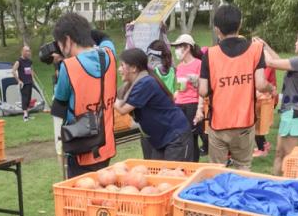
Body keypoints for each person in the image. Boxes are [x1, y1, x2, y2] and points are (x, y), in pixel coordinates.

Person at [199, 4, 272, 170]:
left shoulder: (210, 55)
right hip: (244, 123)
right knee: (243, 167)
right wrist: (270, 89)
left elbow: (203, 90)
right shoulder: (255, 50)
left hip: (218, 124)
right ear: (240, 25)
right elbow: (261, 84)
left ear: (217, 30)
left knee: (217, 170)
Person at [51, 13, 117, 178]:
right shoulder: (110, 54)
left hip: (80, 151)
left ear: (67, 40)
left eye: (60, 43)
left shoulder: (69, 66)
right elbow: (104, 37)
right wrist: (84, 31)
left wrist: (59, 147)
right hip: (106, 147)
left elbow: (59, 106)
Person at [114, 48, 193, 162]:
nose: (119, 69)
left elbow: (122, 109)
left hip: (176, 137)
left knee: (173, 176)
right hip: (161, 139)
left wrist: (106, 96)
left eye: (122, 65)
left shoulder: (146, 83)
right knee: (157, 173)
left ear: (134, 68)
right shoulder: (132, 84)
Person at [255, 25, 298, 175]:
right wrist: (265, 45)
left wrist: (258, 48)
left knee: (289, 157)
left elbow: (270, 63)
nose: (296, 43)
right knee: (280, 154)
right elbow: (278, 60)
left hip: (294, 112)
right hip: (290, 112)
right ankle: (277, 181)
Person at [172, 33, 205, 162]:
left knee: (192, 137)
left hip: (193, 104)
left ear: (187, 48)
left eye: (179, 47)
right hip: (179, 105)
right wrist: (175, 94)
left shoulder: (199, 64)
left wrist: (199, 109)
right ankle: (183, 164)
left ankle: (193, 165)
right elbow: (179, 87)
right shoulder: (179, 67)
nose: (176, 50)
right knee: (181, 137)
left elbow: (202, 89)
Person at [253, 65, 277, 158]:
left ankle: (262, 149)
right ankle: (264, 145)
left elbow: (262, 83)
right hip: (262, 98)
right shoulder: (263, 64)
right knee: (258, 125)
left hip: (263, 99)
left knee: (258, 126)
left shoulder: (264, 66)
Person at [12, 45, 34, 121]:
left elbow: (31, 70)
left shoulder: (29, 61)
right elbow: (13, 71)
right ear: (23, 52)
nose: (28, 53)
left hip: (30, 82)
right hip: (23, 83)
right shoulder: (19, 61)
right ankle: (25, 115)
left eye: (29, 51)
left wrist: (32, 78)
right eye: (27, 51)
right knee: (24, 98)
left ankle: (27, 114)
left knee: (28, 98)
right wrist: (19, 81)